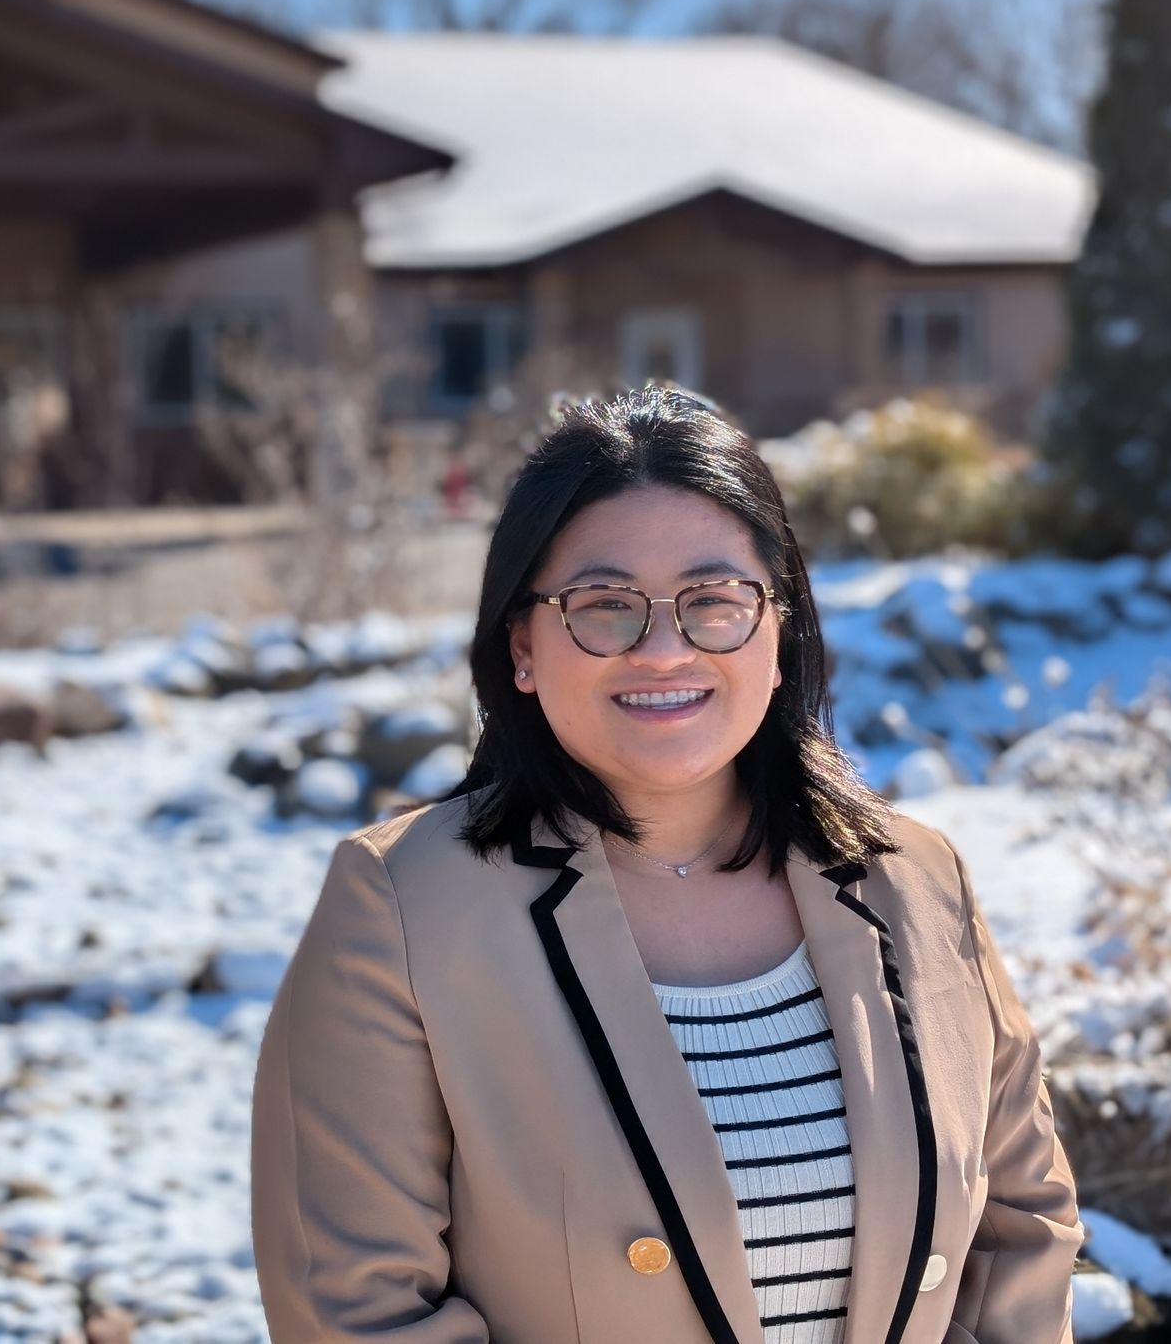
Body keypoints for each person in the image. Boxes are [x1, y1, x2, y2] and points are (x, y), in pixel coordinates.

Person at [251, 386, 1081, 1343]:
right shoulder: (402, 906)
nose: (662, 649)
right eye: (603, 606)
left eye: (714, 602)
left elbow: (1021, 1228)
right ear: (522, 645)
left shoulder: (916, 880)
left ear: (779, 631)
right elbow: (357, 1315)